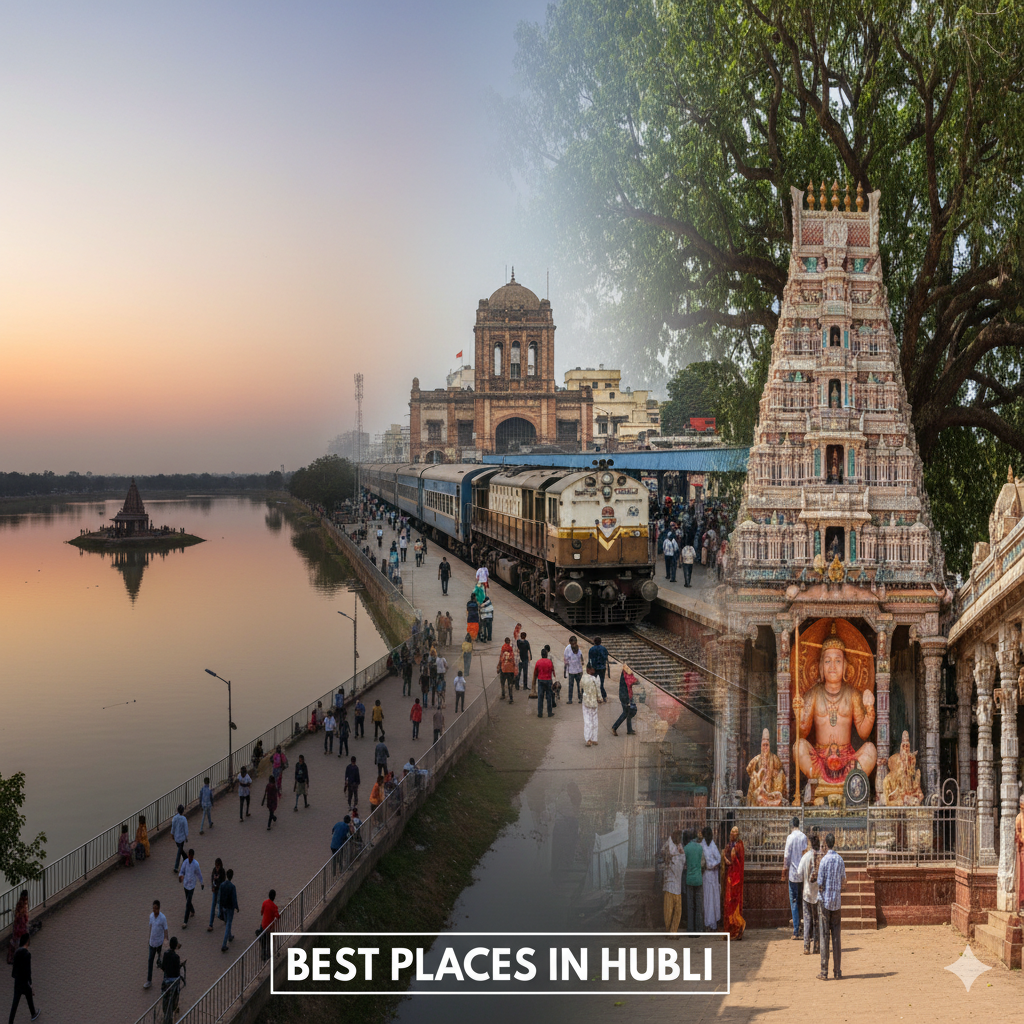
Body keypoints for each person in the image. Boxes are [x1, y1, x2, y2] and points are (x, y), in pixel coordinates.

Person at [816, 832, 846, 980]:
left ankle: (824, 971)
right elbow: (844, 881)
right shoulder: (840, 860)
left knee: (824, 936)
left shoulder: (824, 861)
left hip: (825, 902)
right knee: (836, 938)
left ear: (826, 845)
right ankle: (838, 971)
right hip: (836, 902)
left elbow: (819, 883)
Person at [782, 816, 808, 940]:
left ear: (791, 825)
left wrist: (784, 869)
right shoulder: (803, 837)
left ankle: (796, 930)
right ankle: (805, 927)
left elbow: (787, 855)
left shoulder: (790, 837)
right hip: (802, 873)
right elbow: (805, 853)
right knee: (802, 901)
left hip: (793, 874)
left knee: (794, 901)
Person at [798, 833, 821, 955]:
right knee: (817, 920)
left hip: (807, 893)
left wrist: (806, 879)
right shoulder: (821, 858)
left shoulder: (806, 856)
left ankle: (806, 946)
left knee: (807, 920)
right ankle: (817, 946)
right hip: (817, 894)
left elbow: (799, 873)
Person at [722, 827, 746, 940]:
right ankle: (731, 929)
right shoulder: (731, 845)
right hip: (731, 877)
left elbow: (735, 861)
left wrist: (727, 857)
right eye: (731, 832)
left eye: (734, 833)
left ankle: (737, 929)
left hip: (735, 878)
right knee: (729, 904)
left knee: (734, 903)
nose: (732, 834)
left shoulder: (738, 846)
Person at [8, 933, 37, 1022]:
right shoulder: (27, 954)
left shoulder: (17, 952)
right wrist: (31, 984)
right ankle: (33, 1014)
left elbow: (15, 967)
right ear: (27, 941)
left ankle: (10, 1021)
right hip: (24, 982)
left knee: (15, 1002)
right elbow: (28, 971)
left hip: (17, 981)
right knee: (29, 997)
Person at [661, 829, 684, 935]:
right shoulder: (667, 847)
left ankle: (673, 931)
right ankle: (669, 931)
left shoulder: (679, 848)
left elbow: (682, 859)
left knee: (677, 910)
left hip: (677, 884)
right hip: (670, 883)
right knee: (668, 910)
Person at [683, 830, 706, 932]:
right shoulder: (700, 848)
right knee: (699, 905)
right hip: (698, 879)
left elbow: (683, 863)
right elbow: (703, 863)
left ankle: (691, 929)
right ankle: (699, 928)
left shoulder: (686, 848)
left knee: (690, 905)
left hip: (689, 880)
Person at [701, 826, 721, 932]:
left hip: (713, 875)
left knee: (713, 899)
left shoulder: (713, 845)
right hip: (706, 875)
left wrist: (712, 865)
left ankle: (713, 923)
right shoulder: (702, 845)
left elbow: (719, 858)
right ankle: (707, 923)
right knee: (707, 899)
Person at [177, 848, 204, 929]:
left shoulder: (196, 864)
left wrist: (202, 883)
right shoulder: (185, 863)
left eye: (192, 856)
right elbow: (181, 871)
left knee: (188, 902)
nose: (190, 858)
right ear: (188, 855)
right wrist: (180, 876)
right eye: (189, 856)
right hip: (185, 884)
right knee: (187, 899)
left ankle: (185, 921)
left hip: (192, 886)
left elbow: (199, 874)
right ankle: (192, 910)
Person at [145, 899, 168, 988]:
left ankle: (166, 976)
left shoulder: (162, 918)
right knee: (150, 960)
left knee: (162, 960)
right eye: (153, 908)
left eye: (156, 908)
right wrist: (149, 938)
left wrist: (166, 940)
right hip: (152, 943)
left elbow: (166, 929)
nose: (154, 910)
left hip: (159, 942)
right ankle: (149, 980)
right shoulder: (151, 916)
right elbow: (150, 927)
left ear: (159, 908)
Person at [159, 936, 183, 1017]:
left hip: (166, 980)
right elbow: (177, 972)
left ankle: (165, 1009)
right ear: (176, 946)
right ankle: (175, 1006)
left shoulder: (165, 954)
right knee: (176, 992)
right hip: (173, 981)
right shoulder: (176, 957)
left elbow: (163, 967)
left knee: (164, 994)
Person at [611, 663, 635, 736]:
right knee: (626, 712)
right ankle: (615, 727)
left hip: (625, 695)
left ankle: (629, 729)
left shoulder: (625, 674)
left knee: (628, 712)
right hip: (626, 696)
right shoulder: (626, 676)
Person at [580, 663, 601, 746]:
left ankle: (588, 739)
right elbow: (598, 690)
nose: (594, 671)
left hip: (586, 702)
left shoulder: (583, 678)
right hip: (594, 703)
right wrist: (600, 698)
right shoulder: (595, 679)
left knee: (587, 721)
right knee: (594, 720)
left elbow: (581, 686)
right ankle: (594, 739)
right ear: (589, 669)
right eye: (593, 669)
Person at [218, 869, 238, 952]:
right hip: (230, 907)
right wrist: (237, 907)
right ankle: (224, 944)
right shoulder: (232, 887)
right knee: (228, 924)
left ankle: (230, 936)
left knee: (227, 922)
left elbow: (219, 896)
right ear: (232, 876)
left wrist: (220, 908)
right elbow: (234, 898)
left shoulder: (222, 885)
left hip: (224, 907)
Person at [6, 893, 28, 966]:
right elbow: (26, 919)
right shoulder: (24, 908)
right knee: (20, 944)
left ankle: (12, 958)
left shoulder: (18, 905)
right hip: (21, 929)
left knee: (15, 943)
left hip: (16, 928)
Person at [534, 646, 555, 718]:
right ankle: (549, 712)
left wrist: (533, 684)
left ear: (541, 655)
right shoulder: (550, 662)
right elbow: (552, 671)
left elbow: (535, 673)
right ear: (546, 654)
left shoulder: (538, 662)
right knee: (549, 697)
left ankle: (540, 713)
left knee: (540, 697)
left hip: (540, 681)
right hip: (548, 680)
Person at [259, 890, 280, 962]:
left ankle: (263, 953)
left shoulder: (265, 902)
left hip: (263, 925)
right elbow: (277, 916)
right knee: (270, 941)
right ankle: (269, 954)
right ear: (274, 897)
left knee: (263, 940)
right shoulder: (274, 907)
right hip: (269, 928)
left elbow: (261, 912)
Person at [563, 636, 584, 704]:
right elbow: (565, 660)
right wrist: (565, 671)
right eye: (573, 644)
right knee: (571, 685)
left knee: (580, 685)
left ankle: (580, 698)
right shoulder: (567, 649)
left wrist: (582, 661)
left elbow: (580, 655)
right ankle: (570, 699)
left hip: (578, 670)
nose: (574, 645)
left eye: (575, 643)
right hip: (571, 670)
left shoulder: (577, 648)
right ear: (570, 643)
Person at [588, 637, 609, 702]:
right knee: (601, 683)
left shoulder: (591, 649)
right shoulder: (604, 649)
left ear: (594, 642)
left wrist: (590, 668)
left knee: (594, 683)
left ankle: (595, 696)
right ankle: (604, 696)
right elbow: (606, 657)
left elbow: (590, 660)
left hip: (594, 668)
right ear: (600, 642)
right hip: (602, 668)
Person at [207, 857, 226, 932]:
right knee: (213, 906)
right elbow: (212, 879)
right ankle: (210, 924)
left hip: (220, 891)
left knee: (220, 906)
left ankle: (224, 918)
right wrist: (213, 885)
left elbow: (222, 882)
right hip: (215, 891)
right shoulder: (214, 870)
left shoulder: (222, 872)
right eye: (216, 865)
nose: (217, 867)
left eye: (218, 866)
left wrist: (217, 879)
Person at [171, 804, 188, 872]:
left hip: (176, 837)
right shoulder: (184, 819)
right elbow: (186, 829)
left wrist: (172, 834)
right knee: (179, 851)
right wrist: (186, 836)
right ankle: (176, 866)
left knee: (179, 849)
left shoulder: (174, 818)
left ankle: (185, 858)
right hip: (182, 838)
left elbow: (173, 827)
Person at [499, 637, 516, 701]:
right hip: (510, 670)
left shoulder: (503, 648)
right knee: (510, 684)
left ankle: (503, 694)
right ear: (509, 642)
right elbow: (513, 662)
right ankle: (511, 697)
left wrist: (498, 667)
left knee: (502, 682)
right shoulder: (511, 650)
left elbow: (500, 659)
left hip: (503, 669)